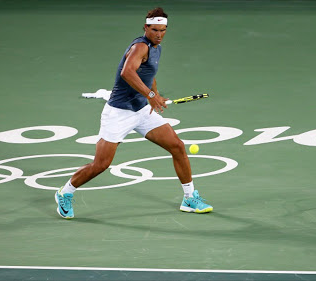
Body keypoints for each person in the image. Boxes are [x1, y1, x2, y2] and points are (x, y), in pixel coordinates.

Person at [55, 7, 212, 219]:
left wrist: (155, 95)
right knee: (101, 165)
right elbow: (127, 72)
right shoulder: (140, 47)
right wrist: (150, 94)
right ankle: (65, 193)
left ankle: (189, 197)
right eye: (155, 29)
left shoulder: (157, 48)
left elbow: (149, 73)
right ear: (145, 27)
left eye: (163, 30)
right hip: (118, 113)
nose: (159, 34)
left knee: (177, 146)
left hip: (142, 110)